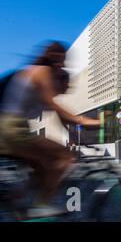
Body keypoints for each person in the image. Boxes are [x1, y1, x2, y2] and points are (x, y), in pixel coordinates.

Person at [0, 41, 100, 218]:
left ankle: (16, 203)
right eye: (63, 60)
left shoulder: (32, 74)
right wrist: (85, 120)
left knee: (40, 169)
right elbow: (54, 106)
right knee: (65, 157)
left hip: (8, 128)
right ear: (55, 56)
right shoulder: (41, 71)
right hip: (11, 128)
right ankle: (41, 205)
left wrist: (76, 138)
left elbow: (58, 115)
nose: (64, 65)